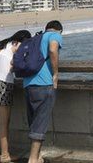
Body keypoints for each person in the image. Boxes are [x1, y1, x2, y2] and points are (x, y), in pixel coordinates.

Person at [0, 30, 32, 163]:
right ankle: (5, 155)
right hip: (4, 84)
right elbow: (16, 63)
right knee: (4, 122)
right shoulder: (16, 45)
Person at [22, 21, 64, 163]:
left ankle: (37, 156)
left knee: (34, 122)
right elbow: (53, 50)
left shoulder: (35, 38)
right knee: (40, 123)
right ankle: (33, 159)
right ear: (59, 30)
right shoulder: (55, 35)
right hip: (44, 84)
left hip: (28, 83)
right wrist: (56, 73)